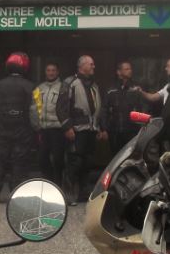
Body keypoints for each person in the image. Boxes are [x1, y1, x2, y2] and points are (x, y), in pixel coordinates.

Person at [0, 52, 41, 205]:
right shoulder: (31, 87)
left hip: (2, 130)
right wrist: (37, 129)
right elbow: (35, 111)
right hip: (23, 130)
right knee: (19, 162)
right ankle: (16, 194)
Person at [57, 55, 106, 206]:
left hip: (91, 130)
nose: (93, 66)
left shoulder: (94, 85)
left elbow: (99, 109)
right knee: (74, 163)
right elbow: (61, 108)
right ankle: (68, 195)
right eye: (91, 64)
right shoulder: (70, 83)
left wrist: (101, 128)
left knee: (88, 163)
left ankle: (83, 194)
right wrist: (67, 128)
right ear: (82, 66)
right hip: (76, 131)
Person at [105, 60, 145, 155]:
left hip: (132, 131)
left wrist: (142, 127)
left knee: (131, 156)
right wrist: (104, 128)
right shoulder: (112, 90)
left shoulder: (136, 89)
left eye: (130, 69)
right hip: (115, 131)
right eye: (126, 69)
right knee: (115, 156)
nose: (130, 71)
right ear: (119, 72)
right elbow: (104, 109)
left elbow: (142, 108)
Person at [37, 62, 66, 184]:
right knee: (42, 158)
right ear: (45, 72)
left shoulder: (63, 87)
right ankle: (49, 182)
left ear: (57, 72)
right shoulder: (40, 88)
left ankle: (58, 183)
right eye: (48, 70)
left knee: (58, 159)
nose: (51, 73)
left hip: (57, 129)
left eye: (53, 70)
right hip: (43, 129)